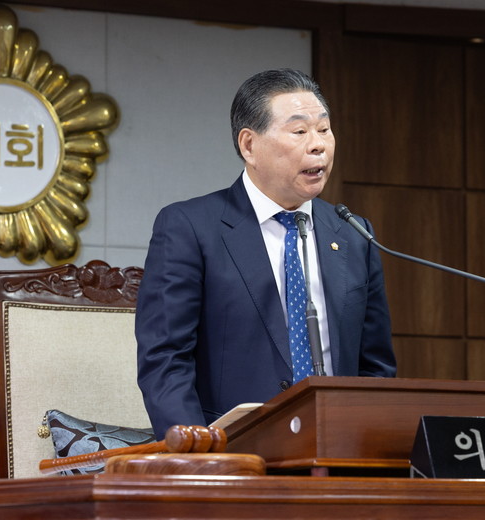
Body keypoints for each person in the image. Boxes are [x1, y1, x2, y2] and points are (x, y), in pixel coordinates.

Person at [135, 68, 396, 439]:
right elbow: (165, 360)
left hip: (337, 449)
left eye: (324, 129)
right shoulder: (190, 227)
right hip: (233, 451)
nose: (318, 144)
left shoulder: (353, 234)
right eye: (300, 131)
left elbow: (375, 366)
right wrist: (198, 453)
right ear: (249, 145)